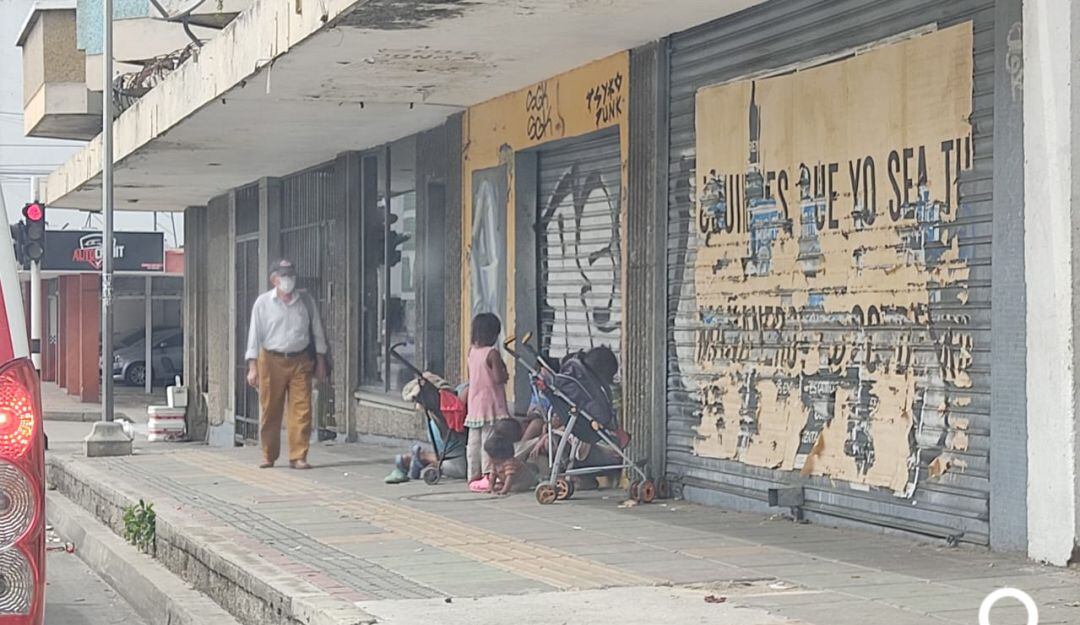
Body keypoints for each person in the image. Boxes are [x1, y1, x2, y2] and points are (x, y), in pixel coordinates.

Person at [245, 259, 328, 470]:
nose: (288, 280)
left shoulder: (306, 301)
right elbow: (254, 336)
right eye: (284, 276)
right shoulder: (263, 303)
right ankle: (268, 454)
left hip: (300, 360)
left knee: (302, 409)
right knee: (270, 409)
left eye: (291, 275)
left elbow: (317, 332)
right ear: (274, 279)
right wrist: (252, 366)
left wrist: (321, 361)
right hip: (271, 359)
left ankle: (298, 455)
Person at [465, 313, 510, 493]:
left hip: (474, 405)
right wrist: (505, 373)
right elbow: (499, 378)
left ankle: (472, 475)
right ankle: (487, 475)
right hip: (491, 404)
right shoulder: (492, 354)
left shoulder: (471, 351)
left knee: (473, 443)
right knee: (489, 442)